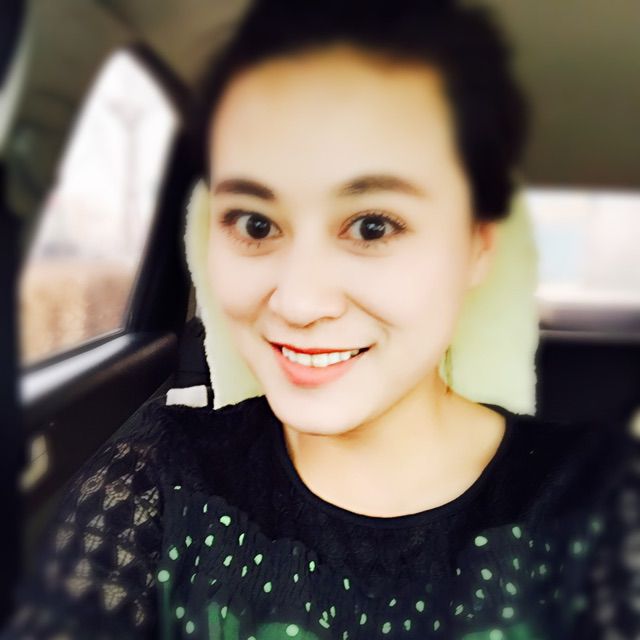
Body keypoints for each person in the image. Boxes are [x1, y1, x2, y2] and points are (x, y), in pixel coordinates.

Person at [2, 0, 638, 638]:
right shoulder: (154, 480)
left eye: (372, 226)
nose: (299, 305)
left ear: (477, 245)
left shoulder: (601, 504)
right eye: (256, 224)